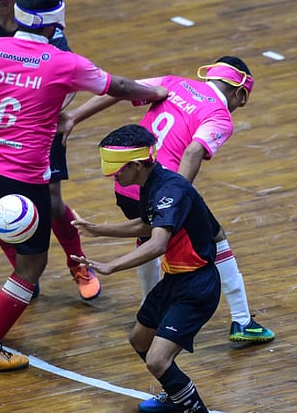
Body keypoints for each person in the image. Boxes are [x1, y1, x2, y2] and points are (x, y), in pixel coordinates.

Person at [0, 0, 168, 371]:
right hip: (24, 176)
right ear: (56, 22)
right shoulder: (63, 62)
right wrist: (152, 94)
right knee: (31, 267)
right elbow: (116, 86)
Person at [60, 56, 274, 344]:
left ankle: (149, 308)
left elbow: (121, 90)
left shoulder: (174, 83)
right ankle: (242, 320)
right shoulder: (220, 116)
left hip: (126, 184)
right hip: (162, 186)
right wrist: (178, 198)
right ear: (241, 94)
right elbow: (192, 153)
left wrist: (74, 117)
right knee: (216, 238)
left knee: (148, 235)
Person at [0, 0, 100, 301]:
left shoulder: (48, 29)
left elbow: (63, 84)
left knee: (51, 203)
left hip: (42, 127)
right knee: (1, 206)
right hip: (2, 130)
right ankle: (22, 271)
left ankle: (78, 263)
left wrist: (45, 113)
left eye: (5, 1)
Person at [71, 124, 219, 413]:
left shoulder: (171, 190)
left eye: (118, 171)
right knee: (139, 338)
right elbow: (148, 224)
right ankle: (176, 395)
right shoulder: (151, 183)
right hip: (175, 278)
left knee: (157, 360)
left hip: (197, 285)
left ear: (137, 165)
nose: (114, 177)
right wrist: (97, 230)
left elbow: (157, 243)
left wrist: (111, 266)